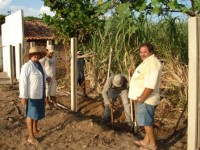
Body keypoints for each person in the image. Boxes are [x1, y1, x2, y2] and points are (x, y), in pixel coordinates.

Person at [128, 43, 162, 150]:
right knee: (148, 120)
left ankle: (152, 144)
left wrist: (141, 98)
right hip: (145, 97)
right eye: (141, 52)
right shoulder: (148, 62)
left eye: (145, 52)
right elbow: (143, 77)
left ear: (150, 51)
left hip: (147, 98)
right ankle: (145, 141)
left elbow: (150, 85)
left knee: (147, 122)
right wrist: (134, 73)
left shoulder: (152, 63)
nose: (143, 54)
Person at [19, 47, 50, 144]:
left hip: (40, 94)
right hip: (31, 95)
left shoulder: (39, 64)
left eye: (37, 54)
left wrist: (47, 78)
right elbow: (23, 82)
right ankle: (30, 136)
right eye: (33, 54)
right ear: (30, 56)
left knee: (37, 113)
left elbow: (43, 75)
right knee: (31, 115)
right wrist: (23, 96)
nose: (36, 55)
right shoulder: (27, 66)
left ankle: (35, 129)